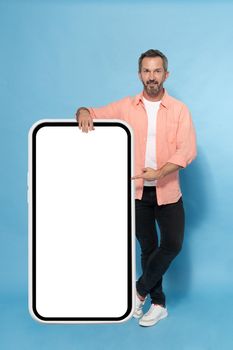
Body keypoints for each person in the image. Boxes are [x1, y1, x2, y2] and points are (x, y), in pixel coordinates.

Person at [75, 49, 197, 327]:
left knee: (172, 244)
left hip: (168, 189)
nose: (151, 77)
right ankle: (158, 304)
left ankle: (138, 290)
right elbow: (93, 113)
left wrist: (159, 172)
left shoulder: (179, 109)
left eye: (157, 71)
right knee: (147, 247)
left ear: (166, 74)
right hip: (138, 193)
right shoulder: (127, 106)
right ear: (139, 74)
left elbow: (187, 150)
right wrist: (82, 112)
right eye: (146, 71)